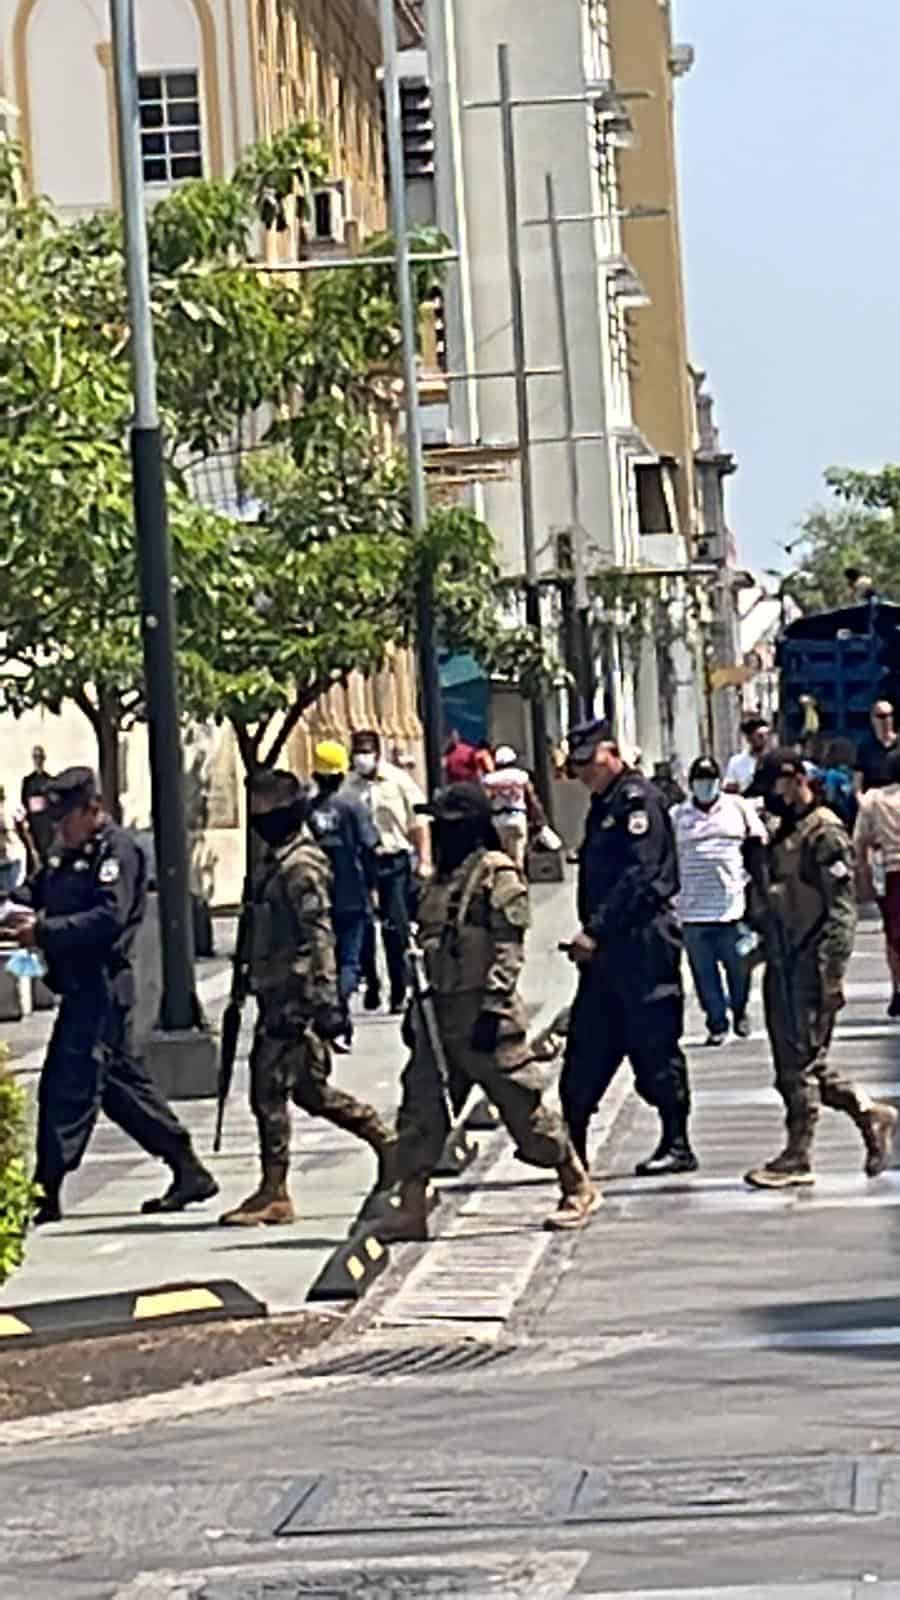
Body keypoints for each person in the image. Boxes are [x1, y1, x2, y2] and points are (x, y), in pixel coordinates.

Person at [380, 783, 600, 1238]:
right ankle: (412, 1205)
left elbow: (508, 948)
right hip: (438, 1015)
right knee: (421, 1114)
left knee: (525, 1113)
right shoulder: (439, 880)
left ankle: (575, 1182)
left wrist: (494, 1005)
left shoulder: (495, 874)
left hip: (485, 1017)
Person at [5, 768, 217, 1225]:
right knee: (120, 1088)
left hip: (101, 987)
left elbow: (109, 917)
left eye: (67, 817)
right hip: (79, 985)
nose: (60, 828)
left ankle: (45, 1189)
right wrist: (14, 907)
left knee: (67, 1084)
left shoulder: (117, 851)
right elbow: (37, 889)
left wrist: (42, 931)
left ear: (92, 809)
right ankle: (187, 1167)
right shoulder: (68, 852)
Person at [220, 769, 397, 1226]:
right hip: (272, 988)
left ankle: (275, 1192)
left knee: (269, 1092)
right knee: (309, 1092)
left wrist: (326, 1002)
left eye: (265, 811)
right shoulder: (273, 860)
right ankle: (385, 1143)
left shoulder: (300, 865)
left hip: (293, 996)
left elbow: (319, 935)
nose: (259, 820)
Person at [744, 749, 897, 1189]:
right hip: (782, 960)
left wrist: (833, 974)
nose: (769, 800)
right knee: (795, 1065)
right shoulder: (783, 833)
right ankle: (870, 1113)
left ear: (794, 780)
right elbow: (778, 899)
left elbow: (841, 911)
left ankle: (798, 1156)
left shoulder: (825, 832)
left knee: (803, 1066)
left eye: (773, 788)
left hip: (810, 963)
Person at [560, 720, 696, 1177]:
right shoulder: (604, 804)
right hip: (605, 953)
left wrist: (596, 930)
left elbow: (642, 878)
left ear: (611, 753)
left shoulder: (638, 802)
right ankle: (571, 1150)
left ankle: (677, 1141)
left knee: (654, 1043)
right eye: (576, 766)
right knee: (586, 1046)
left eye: (588, 763)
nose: (583, 773)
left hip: (642, 943)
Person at [671, 756, 768, 1045]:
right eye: (700, 780)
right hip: (692, 911)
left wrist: (761, 895)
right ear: (691, 784)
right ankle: (716, 1022)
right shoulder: (677, 815)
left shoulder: (737, 808)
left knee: (739, 967)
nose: (705, 785)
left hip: (732, 908)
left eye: (710, 779)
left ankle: (738, 1009)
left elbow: (757, 845)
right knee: (704, 975)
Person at [345, 729, 431, 1013]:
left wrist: (424, 859)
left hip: (394, 860)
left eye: (367, 750)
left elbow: (418, 821)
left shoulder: (397, 781)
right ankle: (371, 983)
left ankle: (399, 987)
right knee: (365, 926)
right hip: (362, 863)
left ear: (378, 753)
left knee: (396, 927)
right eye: (358, 750)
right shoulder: (349, 786)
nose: (362, 757)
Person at [308, 740, 379, 1050]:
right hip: (351, 892)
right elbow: (370, 846)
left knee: (324, 959)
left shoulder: (306, 810)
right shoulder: (352, 806)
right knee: (349, 962)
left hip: (316, 894)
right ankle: (338, 1012)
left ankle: (335, 1021)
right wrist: (374, 888)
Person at [853, 747, 900, 1017]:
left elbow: (859, 841)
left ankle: (897, 988)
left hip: (889, 871)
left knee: (893, 937)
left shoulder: (874, 799)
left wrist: (862, 877)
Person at [481, 745, 544, 869]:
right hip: (517, 817)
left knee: (503, 856)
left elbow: (486, 800)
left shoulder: (489, 779)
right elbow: (531, 797)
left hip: (498, 821)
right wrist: (539, 817)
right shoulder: (521, 776)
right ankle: (519, 882)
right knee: (518, 857)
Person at [854, 700, 899, 794]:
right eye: (881, 716)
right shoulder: (865, 747)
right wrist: (861, 800)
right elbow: (858, 780)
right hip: (873, 798)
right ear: (872, 719)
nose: (887, 720)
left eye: (890, 715)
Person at [20, 745, 55, 864]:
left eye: (40, 757)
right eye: (35, 757)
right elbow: (25, 800)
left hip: (47, 822)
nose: (38, 760)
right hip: (34, 822)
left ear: (44, 759)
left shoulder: (49, 780)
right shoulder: (28, 781)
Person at [724, 717, 772, 794]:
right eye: (759, 735)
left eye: (767, 734)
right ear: (748, 738)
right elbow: (729, 787)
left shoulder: (775, 761)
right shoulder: (736, 762)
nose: (764, 739)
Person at [821, 738, 858, 832]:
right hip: (854, 818)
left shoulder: (832, 775)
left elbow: (830, 798)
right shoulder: (853, 773)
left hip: (838, 818)